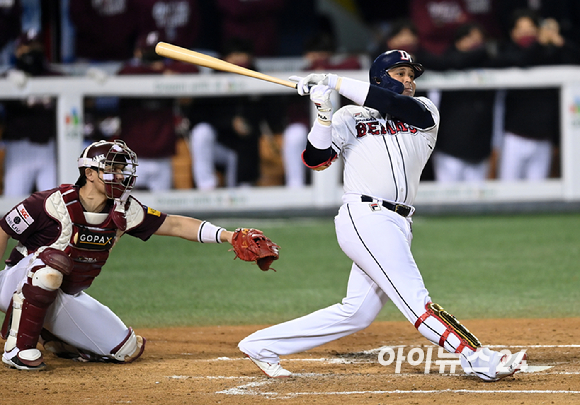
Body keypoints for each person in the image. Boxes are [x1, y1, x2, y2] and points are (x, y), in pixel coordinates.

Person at [238, 50, 528, 381]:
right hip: (365, 217)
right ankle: (478, 358)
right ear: (378, 77)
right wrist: (322, 113)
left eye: (411, 76)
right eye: (399, 73)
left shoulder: (424, 111)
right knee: (416, 300)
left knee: (356, 313)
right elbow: (315, 159)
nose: (408, 81)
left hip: (398, 221)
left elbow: (394, 106)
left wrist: (334, 80)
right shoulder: (349, 116)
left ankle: (261, 345)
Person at [0, 139, 276, 370]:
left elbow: (176, 224)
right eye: (111, 169)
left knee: (126, 350)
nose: (119, 175)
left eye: (121, 169)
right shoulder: (50, 203)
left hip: (65, 292)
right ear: (90, 173)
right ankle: (18, 349)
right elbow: (4, 228)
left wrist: (227, 235)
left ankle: (52, 334)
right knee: (50, 267)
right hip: (15, 283)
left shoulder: (125, 210)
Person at [494, 8, 580, 181]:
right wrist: (539, 42)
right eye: (522, 31)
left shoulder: (548, 51)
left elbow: (575, 61)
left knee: (538, 196)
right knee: (508, 193)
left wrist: (559, 41)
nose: (527, 35)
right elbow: (522, 60)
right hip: (514, 136)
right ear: (513, 33)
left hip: (543, 137)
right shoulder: (508, 51)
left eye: (531, 31)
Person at [189, 39, 279, 189]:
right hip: (218, 144)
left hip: (244, 148)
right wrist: (229, 122)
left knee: (243, 188)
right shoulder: (212, 81)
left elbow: (273, 117)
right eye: (234, 55)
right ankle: (206, 185)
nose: (239, 60)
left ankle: (243, 185)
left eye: (243, 55)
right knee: (201, 132)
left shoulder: (258, 79)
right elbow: (198, 117)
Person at [116, 31, 199, 191]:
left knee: (159, 213)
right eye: (149, 53)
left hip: (162, 157)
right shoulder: (130, 73)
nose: (154, 60)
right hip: (133, 158)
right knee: (125, 210)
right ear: (137, 53)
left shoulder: (172, 72)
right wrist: (160, 73)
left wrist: (166, 73)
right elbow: (123, 74)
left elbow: (193, 71)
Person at [430, 22, 498, 182]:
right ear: (458, 41)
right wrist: (483, 51)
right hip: (449, 147)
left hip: (479, 147)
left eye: (478, 40)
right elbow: (453, 62)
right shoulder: (446, 62)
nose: (474, 43)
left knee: (476, 203)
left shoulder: (490, 64)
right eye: (469, 38)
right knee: (447, 200)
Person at [1, 29, 62, 197]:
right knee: (12, 204)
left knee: (55, 205)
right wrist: (8, 82)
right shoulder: (9, 77)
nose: (32, 50)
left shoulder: (55, 76)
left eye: (36, 46)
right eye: (28, 46)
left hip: (49, 148)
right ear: (18, 50)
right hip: (20, 148)